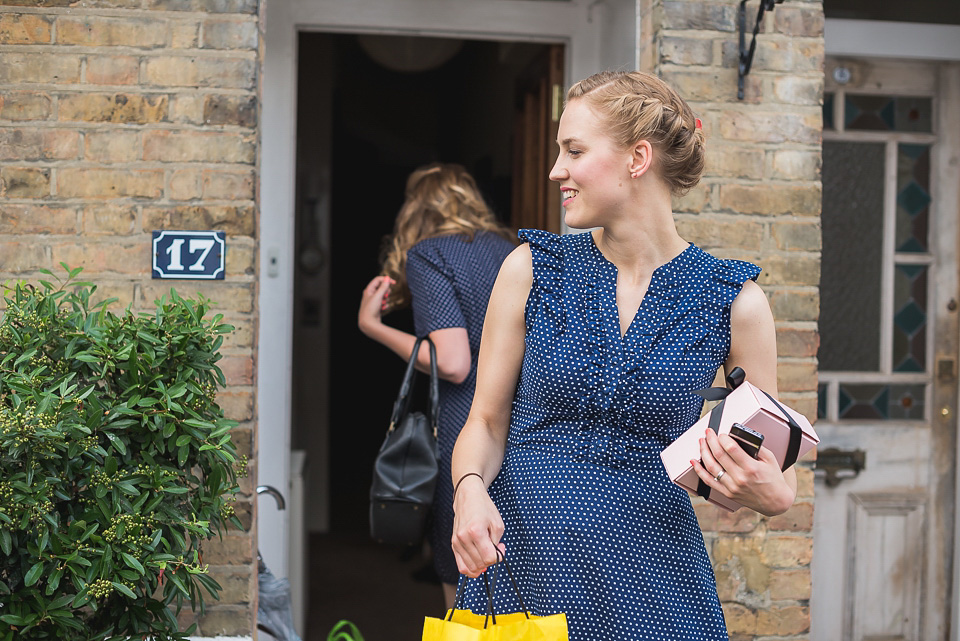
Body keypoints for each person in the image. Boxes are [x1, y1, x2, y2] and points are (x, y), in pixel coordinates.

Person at [448, 70, 797, 639]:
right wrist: (467, 493)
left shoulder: (736, 302)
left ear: (638, 158)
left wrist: (770, 494)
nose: (557, 169)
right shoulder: (531, 269)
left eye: (574, 150)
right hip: (524, 572)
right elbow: (485, 421)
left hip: (655, 586)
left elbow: (774, 467)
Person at [357, 162, 516, 609]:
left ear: (416, 209)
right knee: (515, 582)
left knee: (463, 584)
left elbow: (452, 362)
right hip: (522, 426)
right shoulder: (513, 248)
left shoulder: (430, 253)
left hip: (468, 429)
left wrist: (372, 325)